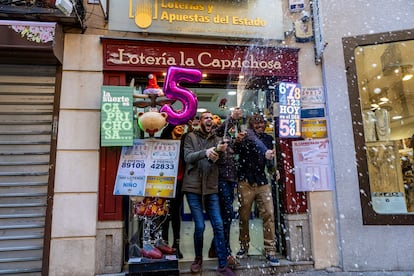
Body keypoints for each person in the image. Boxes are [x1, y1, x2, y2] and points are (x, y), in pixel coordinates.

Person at [182, 111, 235, 276]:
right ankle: (198, 259)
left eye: (211, 118)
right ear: (200, 121)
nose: (209, 120)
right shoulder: (190, 136)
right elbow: (187, 157)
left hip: (211, 187)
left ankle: (222, 264)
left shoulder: (217, 140)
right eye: (206, 118)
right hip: (193, 187)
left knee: (218, 225)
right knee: (200, 226)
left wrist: (220, 152)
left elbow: (221, 161)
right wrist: (205, 152)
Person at [234, 113, 280, 267]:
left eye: (262, 124)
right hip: (245, 182)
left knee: (269, 214)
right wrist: (237, 141)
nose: (260, 126)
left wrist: (274, 171)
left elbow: (270, 160)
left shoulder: (268, 139)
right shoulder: (246, 137)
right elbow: (235, 152)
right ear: (251, 125)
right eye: (256, 124)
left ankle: (270, 250)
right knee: (244, 216)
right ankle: (244, 246)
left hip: (262, 182)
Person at [208, 109, 243, 268]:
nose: (213, 121)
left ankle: (216, 247)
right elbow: (221, 128)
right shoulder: (214, 136)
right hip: (221, 181)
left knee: (226, 216)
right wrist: (231, 117)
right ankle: (226, 251)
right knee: (226, 215)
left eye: (215, 118)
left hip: (231, 180)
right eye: (210, 119)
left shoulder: (227, 137)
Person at [159, 123, 187, 259]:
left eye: (182, 126)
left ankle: (176, 245)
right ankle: (164, 244)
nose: (181, 127)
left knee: (176, 215)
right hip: (164, 182)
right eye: (178, 126)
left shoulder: (184, 143)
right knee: (164, 214)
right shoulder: (164, 142)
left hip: (179, 182)